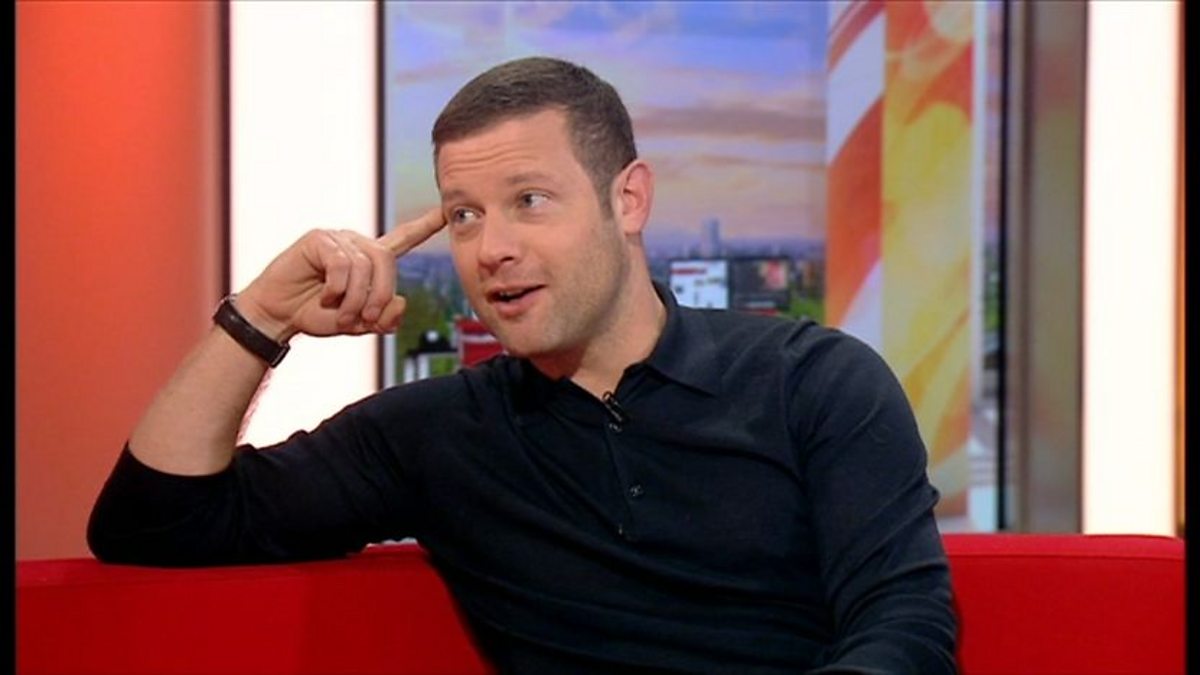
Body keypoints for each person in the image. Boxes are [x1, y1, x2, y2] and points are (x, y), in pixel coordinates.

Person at [88, 56, 958, 674]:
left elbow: (905, 624)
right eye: (464, 215)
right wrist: (262, 316)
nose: (491, 248)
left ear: (628, 199)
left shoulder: (814, 381)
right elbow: (153, 524)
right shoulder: (436, 434)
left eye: (529, 201)